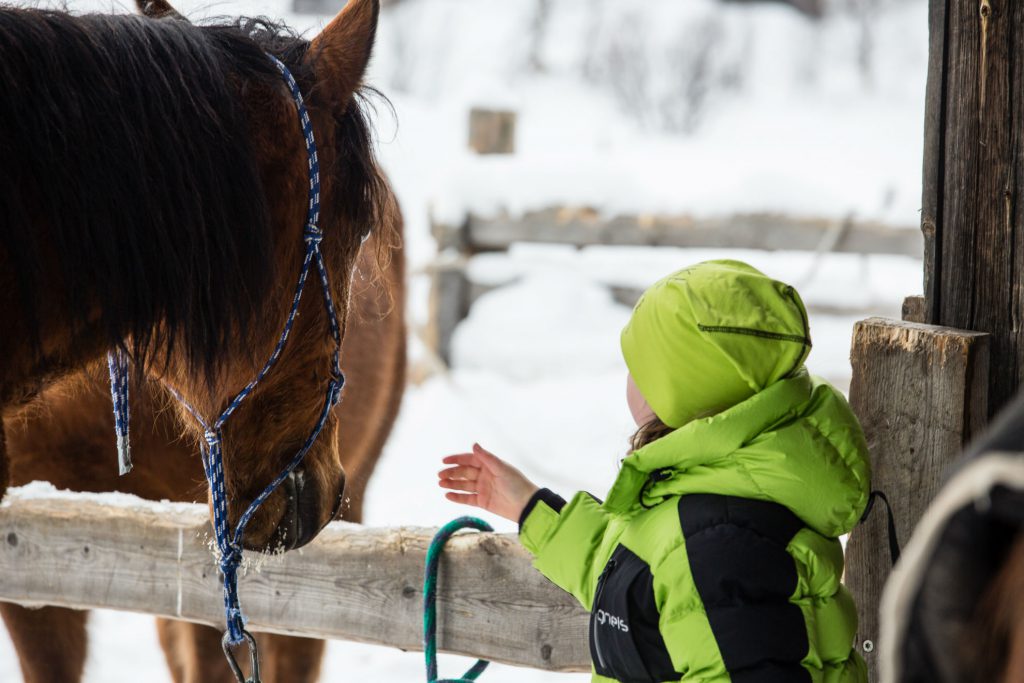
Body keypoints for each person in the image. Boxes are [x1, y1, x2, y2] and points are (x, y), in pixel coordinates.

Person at [438, 259, 870, 683]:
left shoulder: (718, 543)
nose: (628, 378)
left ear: (686, 392)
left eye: (640, 368)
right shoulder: (711, 499)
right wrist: (531, 507)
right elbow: (635, 585)